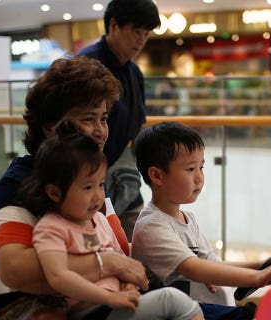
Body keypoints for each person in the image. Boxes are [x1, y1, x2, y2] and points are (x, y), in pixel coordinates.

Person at [0, 56, 149, 318]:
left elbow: (118, 248)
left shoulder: (89, 176)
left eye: (104, 119)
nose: (100, 131)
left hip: (98, 296)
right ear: (51, 128)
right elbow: (14, 270)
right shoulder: (18, 181)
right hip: (30, 306)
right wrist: (106, 264)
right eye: (88, 119)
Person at [21, 120, 204, 320]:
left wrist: (128, 286)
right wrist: (108, 298)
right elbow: (58, 276)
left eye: (100, 184)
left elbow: (123, 262)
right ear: (54, 192)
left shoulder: (99, 220)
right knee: (173, 300)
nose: (98, 196)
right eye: (87, 187)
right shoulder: (50, 228)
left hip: (117, 304)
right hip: (91, 311)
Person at [132, 122, 271, 319]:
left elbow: (213, 264)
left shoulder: (187, 219)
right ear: (157, 175)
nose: (200, 177)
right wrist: (257, 277)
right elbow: (193, 268)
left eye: (201, 167)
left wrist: (261, 265)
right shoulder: (152, 226)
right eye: (190, 169)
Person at [79, 0, 160, 240]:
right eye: (137, 31)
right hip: (86, 178)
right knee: (99, 247)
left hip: (122, 177)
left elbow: (138, 123)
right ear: (113, 25)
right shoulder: (86, 66)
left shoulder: (134, 71)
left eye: (146, 34)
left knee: (142, 242)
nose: (141, 40)